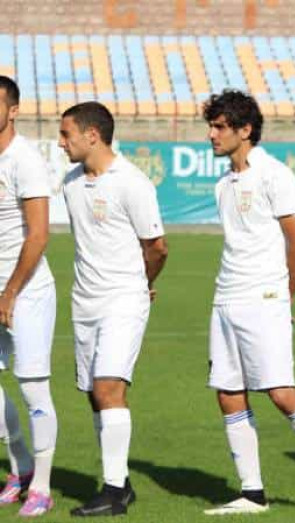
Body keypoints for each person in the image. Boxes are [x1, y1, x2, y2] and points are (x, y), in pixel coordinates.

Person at [201, 90, 295, 517]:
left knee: (281, 393)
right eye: (211, 126)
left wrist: (285, 298)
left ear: (245, 130)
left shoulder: (274, 175)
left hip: (264, 298)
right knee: (228, 393)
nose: (211, 134)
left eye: (219, 127)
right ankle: (252, 493)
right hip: (226, 296)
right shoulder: (223, 183)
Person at [58, 101, 168, 517]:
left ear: (92, 135)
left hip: (123, 299)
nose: (61, 142)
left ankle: (114, 493)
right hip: (84, 300)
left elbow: (157, 247)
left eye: (66, 134)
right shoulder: (70, 182)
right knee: (94, 394)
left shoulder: (133, 183)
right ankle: (119, 480)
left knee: (108, 389)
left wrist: (142, 284)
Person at [0, 75, 58, 517]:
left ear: (13, 110)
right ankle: (19, 467)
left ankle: (42, 486)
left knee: (33, 387)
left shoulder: (26, 160)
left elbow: (38, 234)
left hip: (26, 290)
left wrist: (10, 292)